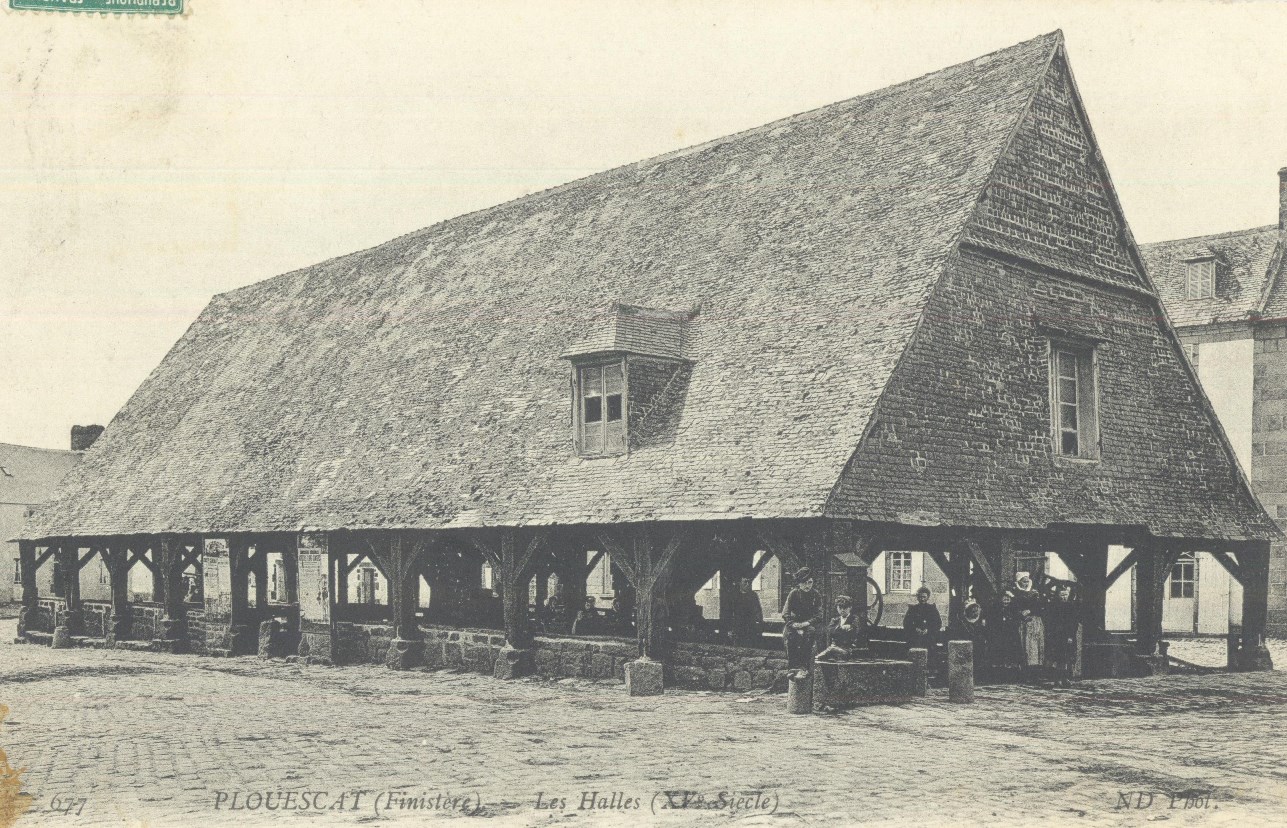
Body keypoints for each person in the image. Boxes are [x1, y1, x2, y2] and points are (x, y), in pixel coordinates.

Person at [781, 567, 823, 673]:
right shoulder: (793, 594)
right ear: (799, 583)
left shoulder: (816, 595)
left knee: (810, 633)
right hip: (794, 623)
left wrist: (807, 623)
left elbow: (819, 615)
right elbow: (785, 612)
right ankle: (792, 667)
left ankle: (804, 666)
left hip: (808, 623)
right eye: (804, 583)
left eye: (810, 582)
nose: (807, 586)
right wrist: (792, 624)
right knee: (790, 636)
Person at [1011, 572, 1045, 682]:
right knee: (1023, 647)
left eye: (1026, 581)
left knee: (1034, 647)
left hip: (1034, 622)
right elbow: (1013, 608)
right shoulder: (1015, 593)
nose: (1025, 584)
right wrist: (1020, 613)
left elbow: (1040, 606)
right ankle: (1024, 674)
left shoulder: (1034, 593)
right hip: (1022, 623)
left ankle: (1035, 672)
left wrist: (1030, 610)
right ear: (1019, 582)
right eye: (1023, 582)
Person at [1045, 584, 1079, 688]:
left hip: (1068, 636)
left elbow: (1074, 623)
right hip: (1056, 636)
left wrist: (1070, 636)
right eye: (1062, 595)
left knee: (1067, 658)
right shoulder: (1053, 606)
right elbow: (1049, 621)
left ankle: (1065, 678)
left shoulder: (1071, 607)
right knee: (1058, 658)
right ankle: (1057, 678)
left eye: (1066, 595)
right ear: (1058, 595)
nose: (1064, 597)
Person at [818, 594, 867, 661]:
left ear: (850, 607)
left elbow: (855, 630)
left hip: (849, 650)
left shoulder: (854, 619)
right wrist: (842, 629)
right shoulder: (835, 620)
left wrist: (841, 629)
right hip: (836, 648)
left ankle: (819, 657)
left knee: (831, 650)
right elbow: (829, 631)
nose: (842, 610)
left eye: (845, 608)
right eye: (840, 608)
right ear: (837, 608)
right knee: (832, 651)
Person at [902, 586, 942, 652]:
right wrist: (915, 629)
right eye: (920, 597)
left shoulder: (932, 609)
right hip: (915, 637)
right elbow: (906, 623)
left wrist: (928, 630)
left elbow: (938, 623)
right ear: (917, 598)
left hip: (929, 637)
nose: (922, 599)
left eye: (924, 597)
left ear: (928, 597)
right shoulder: (912, 609)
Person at [732, 577, 764, 647]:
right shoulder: (735, 596)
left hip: (750, 626)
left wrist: (759, 624)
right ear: (740, 583)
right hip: (738, 627)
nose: (747, 584)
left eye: (749, 582)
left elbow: (758, 610)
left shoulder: (753, 595)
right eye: (745, 582)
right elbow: (731, 611)